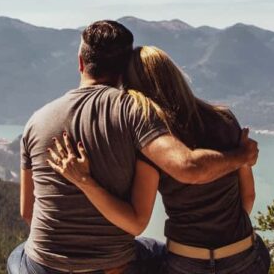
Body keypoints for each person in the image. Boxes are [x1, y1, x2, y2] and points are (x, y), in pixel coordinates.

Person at [19, 21, 259, 274]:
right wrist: (241, 156)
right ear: (123, 71)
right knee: (155, 251)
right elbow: (186, 169)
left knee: (18, 255)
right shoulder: (136, 113)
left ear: (80, 62)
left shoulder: (36, 121)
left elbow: (28, 212)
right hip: (115, 265)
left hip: (42, 266)